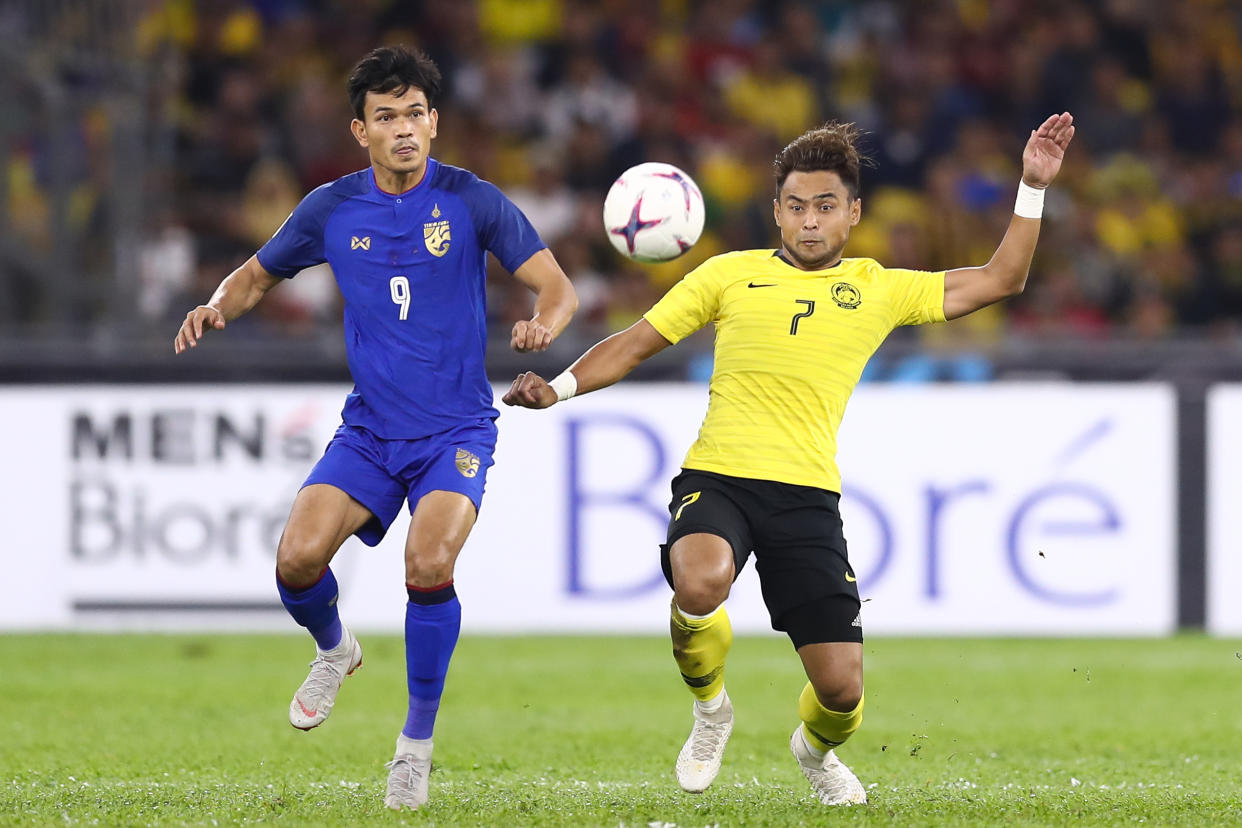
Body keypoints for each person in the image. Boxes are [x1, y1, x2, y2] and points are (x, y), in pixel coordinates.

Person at [504, 113, 1075, 806]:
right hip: (719, 477)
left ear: (854, 213)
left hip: (807, 499)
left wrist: (1032, 186)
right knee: (699, 581)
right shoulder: (727, 275)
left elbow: (1001, 279)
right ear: (776, 211)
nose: (810, 222)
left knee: (841, 689)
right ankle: (711, 708)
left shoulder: (879, 287)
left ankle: (813, 749)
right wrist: (558, 387)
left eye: (826, 207)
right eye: (797, 207)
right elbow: (632, 343)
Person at [173, 46, 577, 811]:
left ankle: (414, 747)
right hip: (370, 432)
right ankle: (335, 649)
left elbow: (556, 287)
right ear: (360, 130)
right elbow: (258, 273)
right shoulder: (331, 207)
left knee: (428, 564)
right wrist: (219, 304)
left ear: (435, 122)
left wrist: (541, 324)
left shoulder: (471, 199)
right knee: (295, 563)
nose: (404, 129)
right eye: (386, 117)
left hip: (456, 428)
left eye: (415, 114)